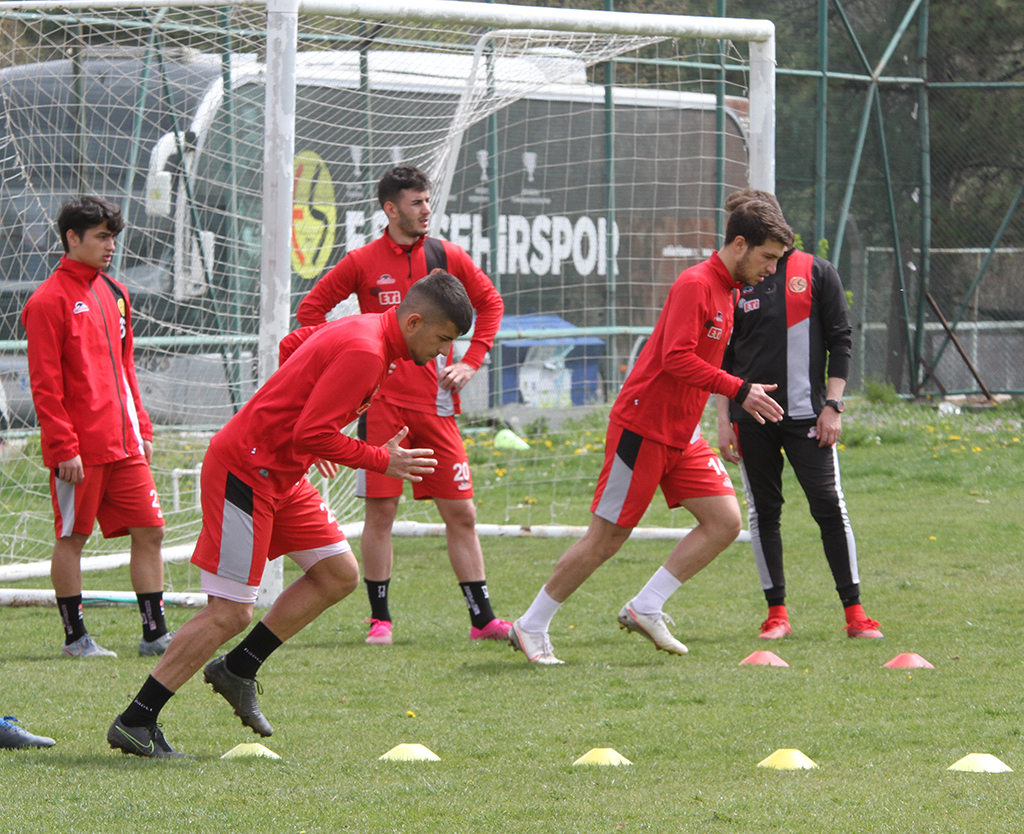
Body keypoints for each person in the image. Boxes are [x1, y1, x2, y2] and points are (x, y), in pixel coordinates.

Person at [106, 273, 474, 758]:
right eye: (443, 339)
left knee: (338, 575)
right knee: (230, 611)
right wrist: (375, 456)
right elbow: (310, 434)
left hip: (283, 473)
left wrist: (310, 418)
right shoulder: (367, 351)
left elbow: (294, 345)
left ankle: (238, 669)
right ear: (413, 321)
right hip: (247, 470)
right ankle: (136, 721)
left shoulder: (370, 330)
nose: (444, 353)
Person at [508, 199, 792, 665]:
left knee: (724, 521)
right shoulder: (695, 284)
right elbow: (675, 358)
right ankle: (531, 625)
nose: (771, 270)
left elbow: (706, 364)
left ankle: (646, 606)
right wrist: (739, 390)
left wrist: (725, 406)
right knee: (607, 538)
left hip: (681, 433)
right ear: (739, 245)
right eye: (767, 258)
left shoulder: (731, 290)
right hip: (642, 428)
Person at [297, 166, 509, 646]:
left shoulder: (447, 255)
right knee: (382, 512)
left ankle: (483, 619)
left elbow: (491, 304)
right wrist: (341, 358)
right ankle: (380, 620)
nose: (426, 210)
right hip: (383, 406)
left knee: (463, 513)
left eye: (427, 201)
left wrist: (472, 360)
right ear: (390, 209)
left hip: (436, 406)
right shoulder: (362, 261)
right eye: (415, 203)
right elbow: (311, 310)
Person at [715, 190, 882, 641]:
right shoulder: (736, 279)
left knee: (829, 506)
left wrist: (834, 405)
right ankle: (777, 613)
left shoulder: (816, 272)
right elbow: (723, 355)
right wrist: (724, 417)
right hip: (751, 419)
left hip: (810, 417)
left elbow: (841, 340)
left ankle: (856, 613)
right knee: (763, 512)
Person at [22, 196, 171, 659]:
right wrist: (64, 445)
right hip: (79, 450)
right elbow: (44, 384)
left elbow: (127, 370)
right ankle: (75, 638)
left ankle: (155, 634)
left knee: (151, 530)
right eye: (102, 237)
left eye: (113, 237)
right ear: (73, 238)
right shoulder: (47, 301)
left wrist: (141, 425)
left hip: (125, 443)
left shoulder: (117, 294)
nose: (111, 246)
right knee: (73, 538)